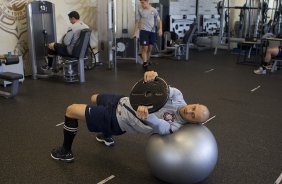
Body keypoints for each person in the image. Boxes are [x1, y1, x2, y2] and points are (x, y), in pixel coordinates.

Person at [50, 71, 210, 162]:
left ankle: (65, 151)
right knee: (94, 97)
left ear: (193, 123)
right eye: (194, 108)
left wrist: (147, 116)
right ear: (194, 103)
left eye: (193, 116)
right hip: (122, 101)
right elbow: (163, 88)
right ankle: (106, 136)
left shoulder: (174, 126)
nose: (190, 111)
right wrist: (152, 77)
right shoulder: (178, 96)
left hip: (116, 120)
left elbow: (157, 125)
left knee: (71, 110)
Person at [133, 0, 163, 69]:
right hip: (144, 31)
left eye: (143, 3)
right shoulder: (140, 10)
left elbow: (159, 20)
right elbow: (137, 22)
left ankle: (147, 60)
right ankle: (145, 63)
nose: (142, 4)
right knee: (145, 48)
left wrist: (160, 28)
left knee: (150, 49)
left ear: (148, 1)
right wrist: (135, 32)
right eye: (141, 3)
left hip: (152, 32)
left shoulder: (154, 10)